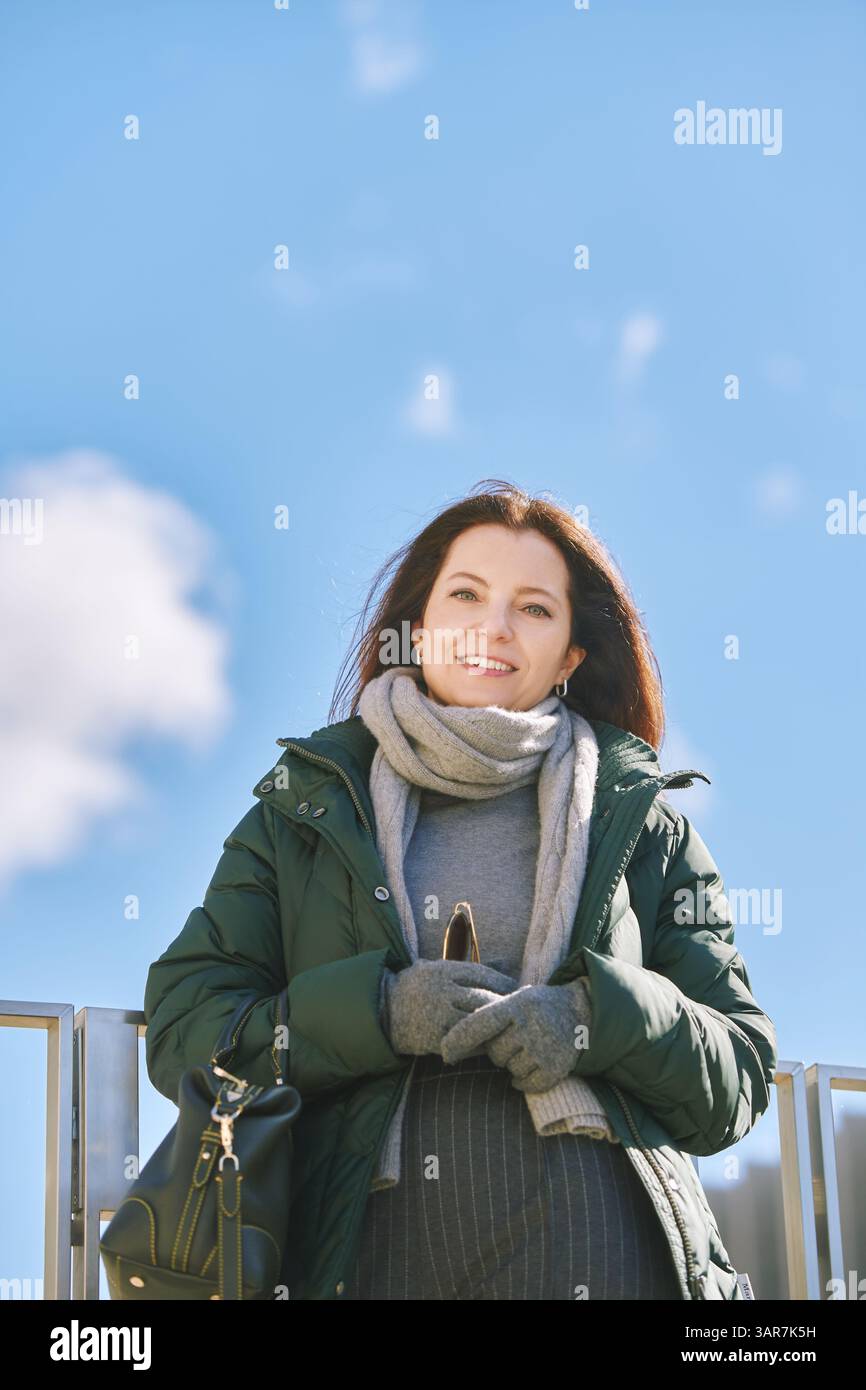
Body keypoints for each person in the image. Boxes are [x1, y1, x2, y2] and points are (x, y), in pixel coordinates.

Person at [143, 478, 778, 1301]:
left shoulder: (646, 827)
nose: (494, 626)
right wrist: (376, 1013)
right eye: (467, 594)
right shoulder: (302, 812)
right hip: (359, 1251)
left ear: (571, 657)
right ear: (417, 626)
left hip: (599, 1243)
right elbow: (186, 1027)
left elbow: (739, 1072)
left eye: (535, 609)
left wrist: (595, 1022)